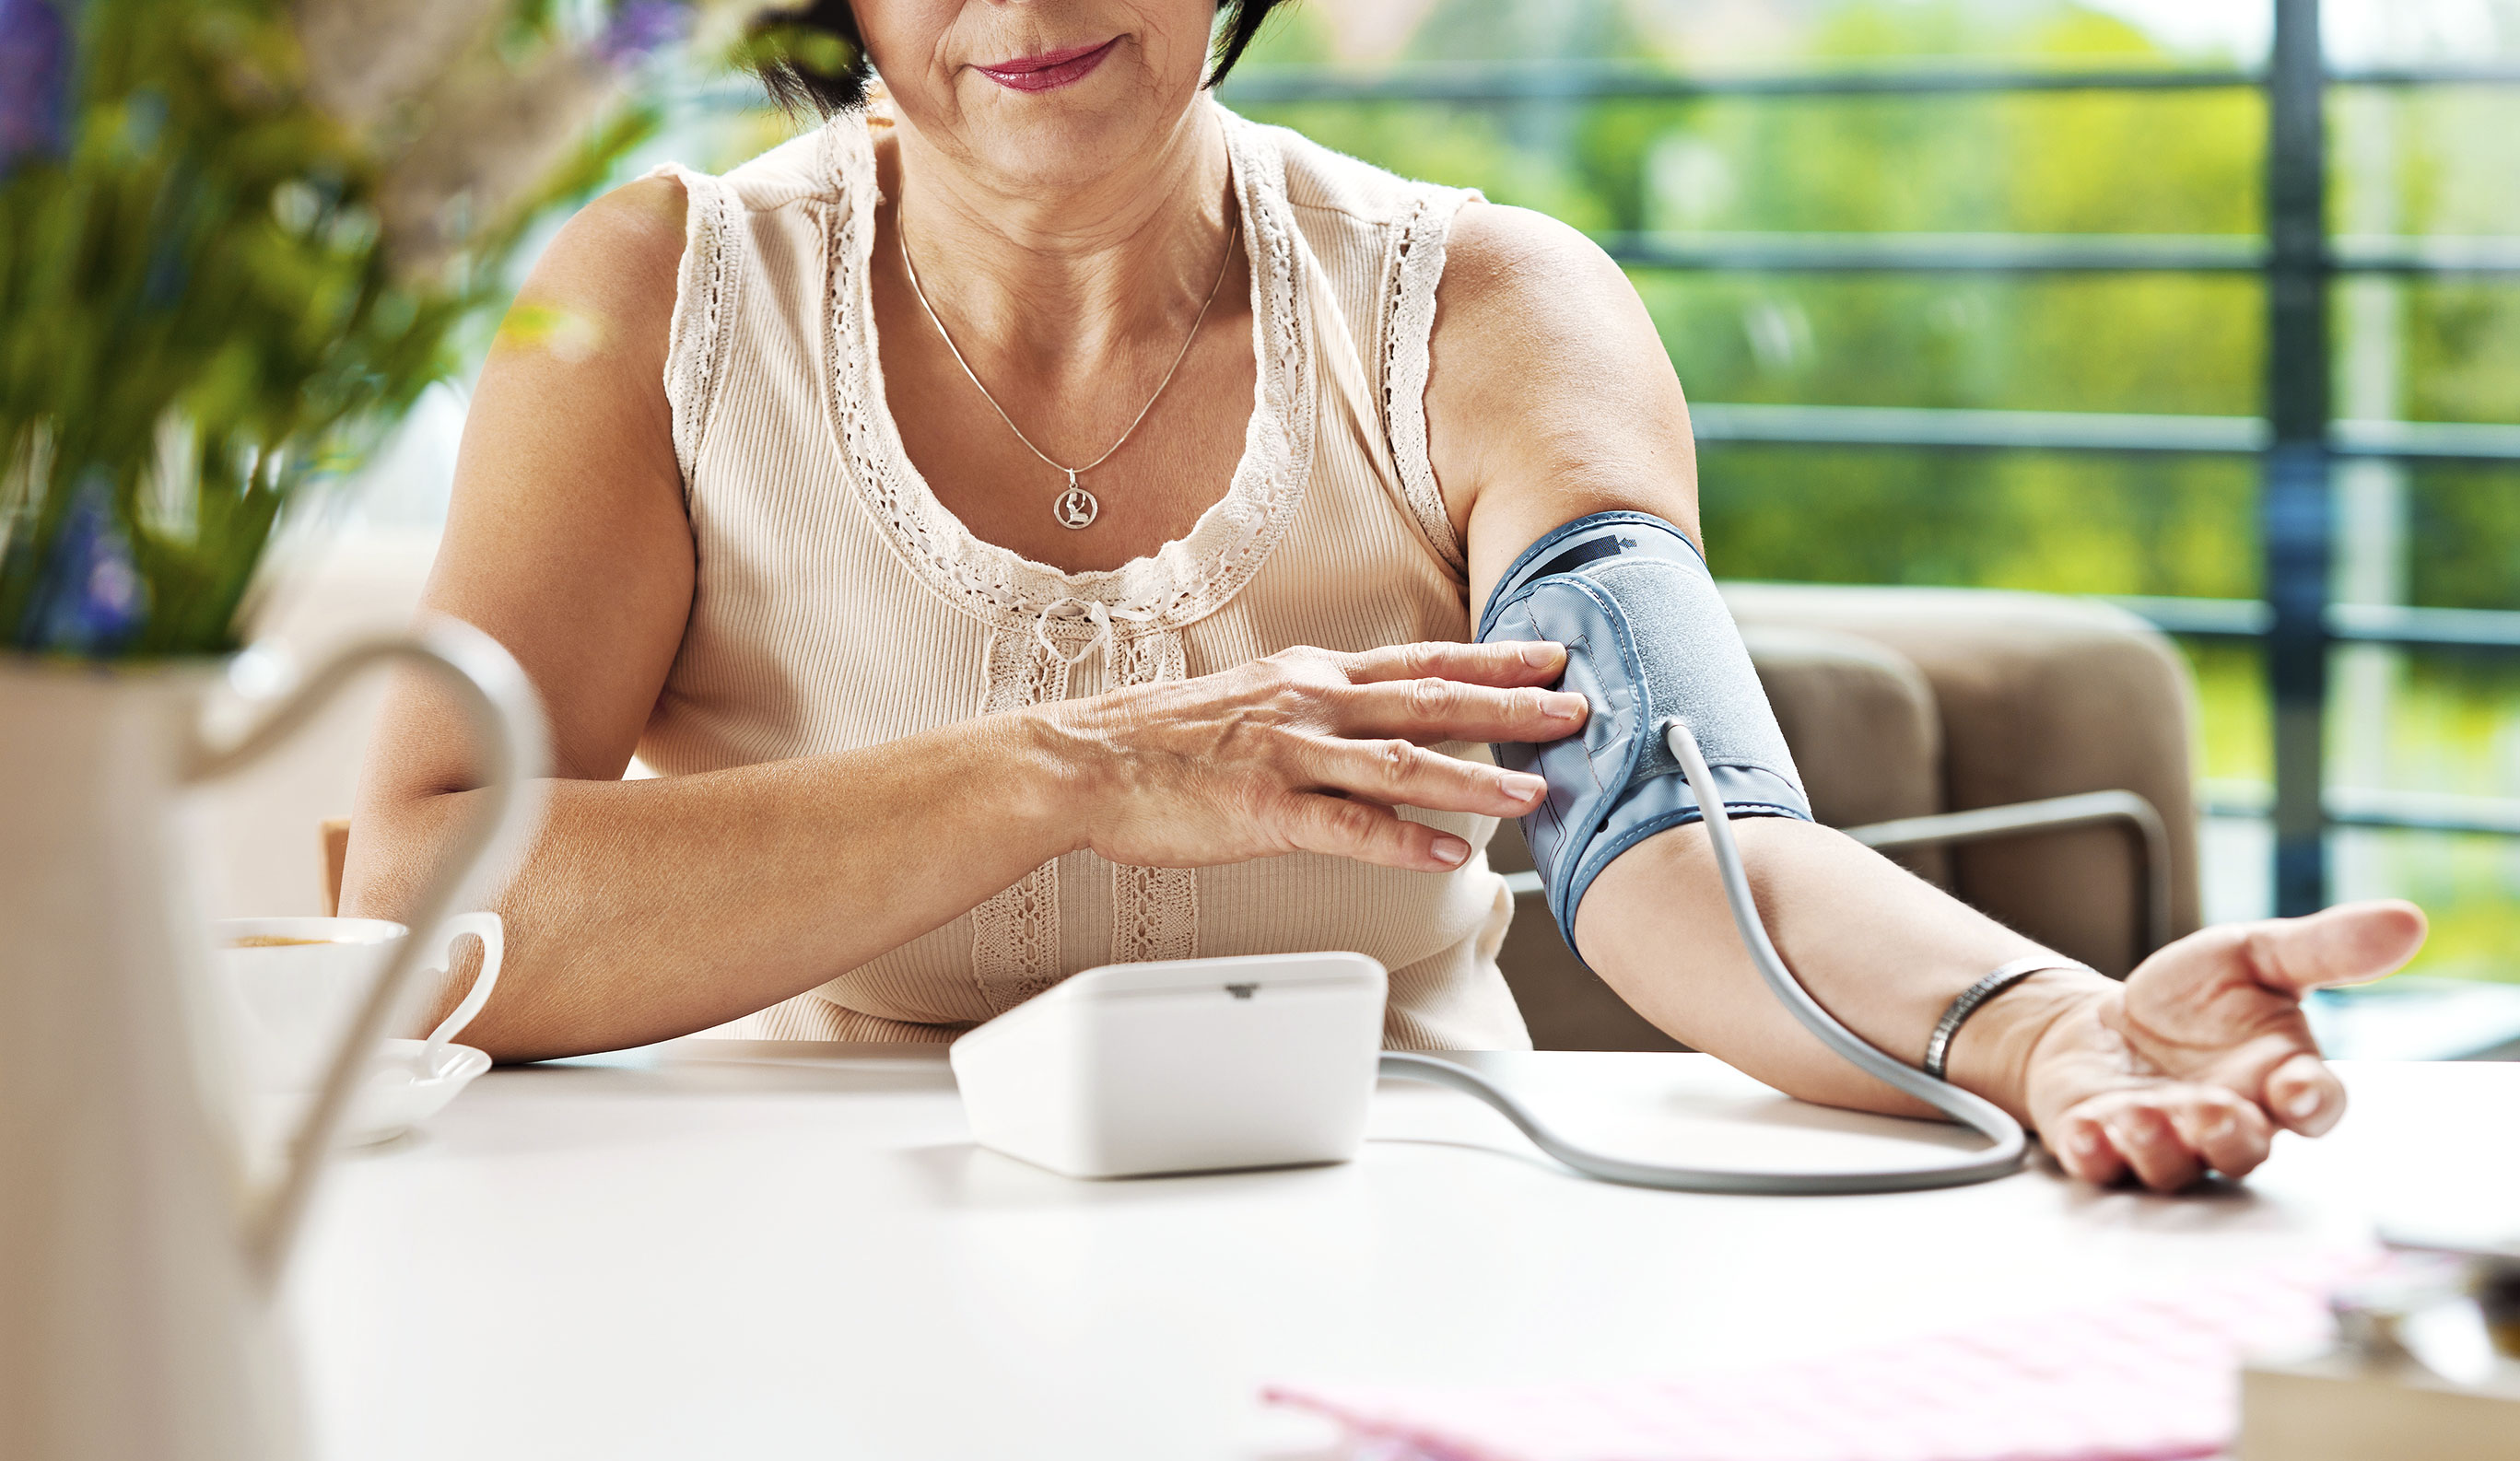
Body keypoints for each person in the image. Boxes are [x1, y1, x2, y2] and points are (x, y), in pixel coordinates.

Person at [345, 0, 2426, 1193]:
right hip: (786, 1246)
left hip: (1369, 1243)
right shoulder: (658, 300)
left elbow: (1675, 838)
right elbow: (419, 908)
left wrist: (2054, 1023)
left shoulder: (1491, 308)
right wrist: (1074, 771)